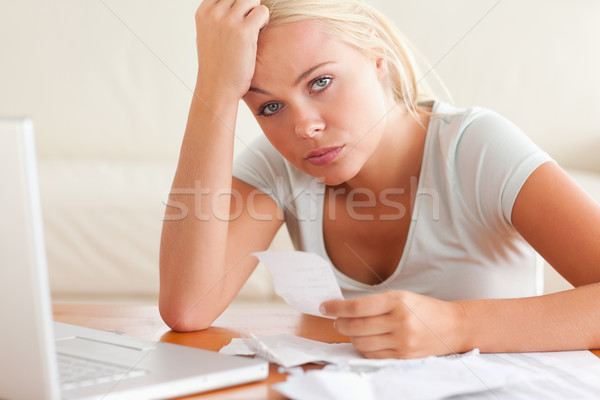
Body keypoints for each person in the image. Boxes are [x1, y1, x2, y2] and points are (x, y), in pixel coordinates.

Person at [159, 0, 600, 359]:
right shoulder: (279, 166)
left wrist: (457, 326)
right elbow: (187, 308)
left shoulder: (477, 147)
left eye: (320, 81)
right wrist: (213, 88)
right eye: (269, 107)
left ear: (375, 53)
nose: (304, 127)